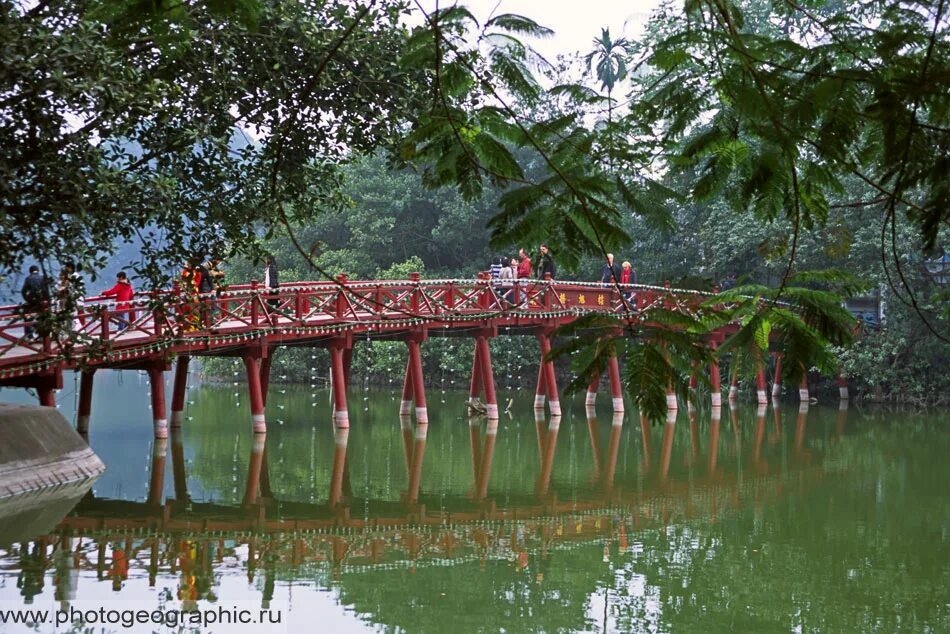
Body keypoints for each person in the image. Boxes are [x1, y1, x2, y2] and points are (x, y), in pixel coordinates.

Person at [20, 265, 46, 340]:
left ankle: (30, 336)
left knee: (28, 318)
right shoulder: (42, 278)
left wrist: (27, 299)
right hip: (42, 303)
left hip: (32, 303)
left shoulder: (28, 279)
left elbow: (23, 291)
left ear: (30, 271)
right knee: (41, 318)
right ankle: (41, 336)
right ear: (38, 270)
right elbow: (45, 291)